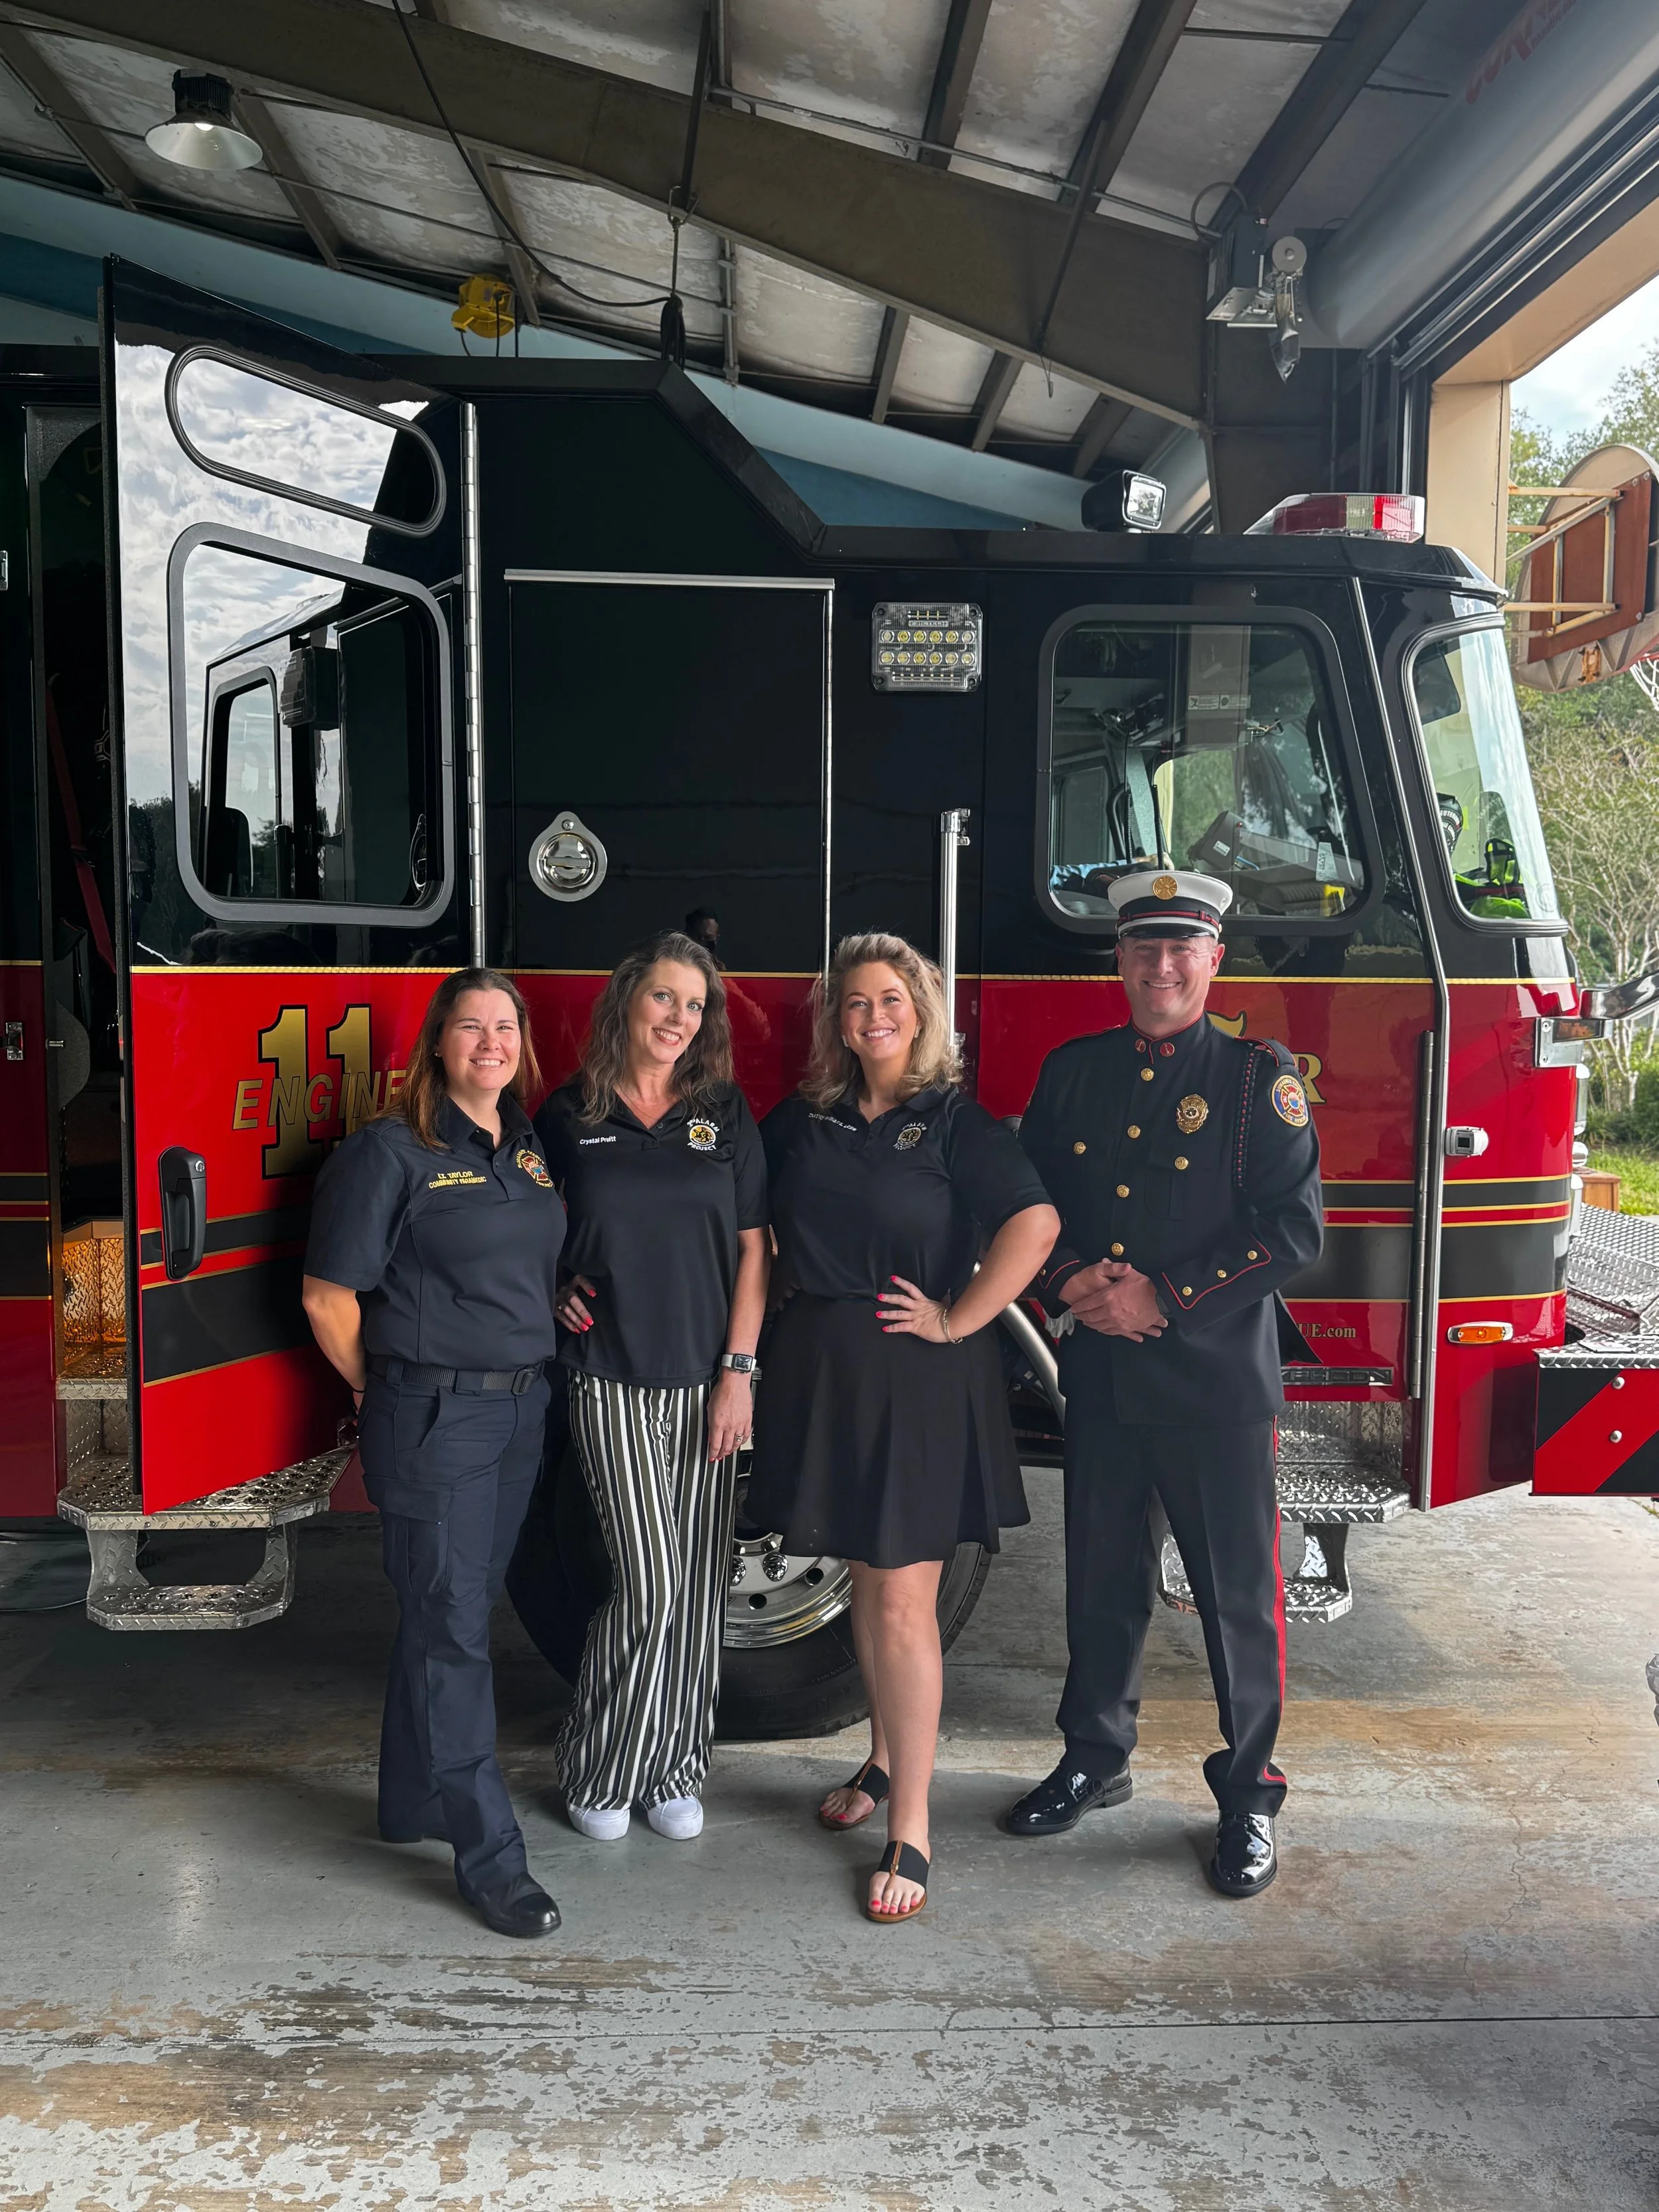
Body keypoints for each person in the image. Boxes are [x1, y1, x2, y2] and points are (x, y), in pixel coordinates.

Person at [1005, 869, 1323, 1898]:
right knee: (1101, 1585)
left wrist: (1166, 1296)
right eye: (1145, 948)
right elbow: (1033, 1200)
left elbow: (1292, 1231)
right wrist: (1066, 1280)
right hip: (1100, 1377)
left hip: (1217, 1387)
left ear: (1214, 958)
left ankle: (1247, 1799)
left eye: (1184, 947)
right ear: (1122, 961)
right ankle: (1095, 1759)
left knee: (1237, 1601)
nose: (1163, 966)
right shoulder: (1072, 1072)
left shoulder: (1254, 1080)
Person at [748, 933, 1058, 1923]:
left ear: (921, 1012)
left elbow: (1036, 1226)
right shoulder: (806, 1120)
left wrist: (961, 1317)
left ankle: (913, 1828)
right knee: (865, 1591)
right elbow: (735, 1212)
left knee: (897, 1608)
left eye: (891, 999)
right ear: (834, 1022)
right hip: (825, 1377)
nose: (872, 1016)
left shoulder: (957, 1123)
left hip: (921, 1382)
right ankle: (882, 1763)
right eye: (853, 1003)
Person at [301, 968, 564, 1939]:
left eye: (506, 1027)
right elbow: (330, 1297)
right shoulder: (390, 1154)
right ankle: (489, 1854)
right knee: (453, 1630)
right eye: (471, 1027)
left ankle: (410, 1800)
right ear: (438, 1043)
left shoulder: (524, 1146)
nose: (490, 1043)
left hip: (517, 1415)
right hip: (431, 1417)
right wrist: (378, 1383)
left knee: (449, 1609)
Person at [534, 930, 768, 1843]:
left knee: (701, 1587)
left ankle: (673, 1765)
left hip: (709, 1379)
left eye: (695, 1005)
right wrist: (548, 1289)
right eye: (664, 998)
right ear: (627, 1003)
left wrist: (739, 1374)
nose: (679, 1018)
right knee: (654, 1584)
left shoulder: (724, 1113)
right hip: (609, 1377)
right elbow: (518, 1223)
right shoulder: (568, 1115)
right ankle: (599, 1766)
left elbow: (756, 1249)